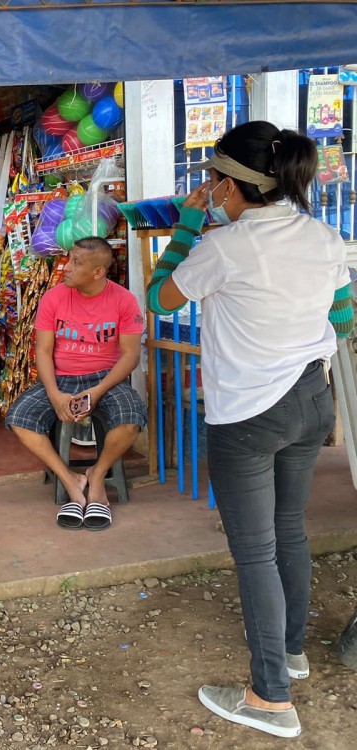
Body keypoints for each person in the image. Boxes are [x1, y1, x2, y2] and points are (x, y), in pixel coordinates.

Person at [146, 120, 354, 738]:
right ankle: (290, 652)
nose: (209, 188)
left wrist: (187, 226)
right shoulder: (323, 235)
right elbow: (343, 319)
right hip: (312, 401)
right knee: (289, 531)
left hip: (249, 416)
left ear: (230, 186)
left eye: (213, 178)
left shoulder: (223, 247)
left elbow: (160, 299)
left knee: (256, 552)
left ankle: (270, 699)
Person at [4, 237, 145, 530]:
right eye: (69, 259)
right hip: (61, 378)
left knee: (130, 420)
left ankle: (97, 476)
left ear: (98, 272)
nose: (66, 267)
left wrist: (98, 390)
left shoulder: (124, 300)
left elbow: (130, 356)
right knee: (19, 417)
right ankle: (70, 479)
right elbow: (43, 351)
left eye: (76, 263)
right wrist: (55, 394)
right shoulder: (53, 298)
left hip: (106, 379)